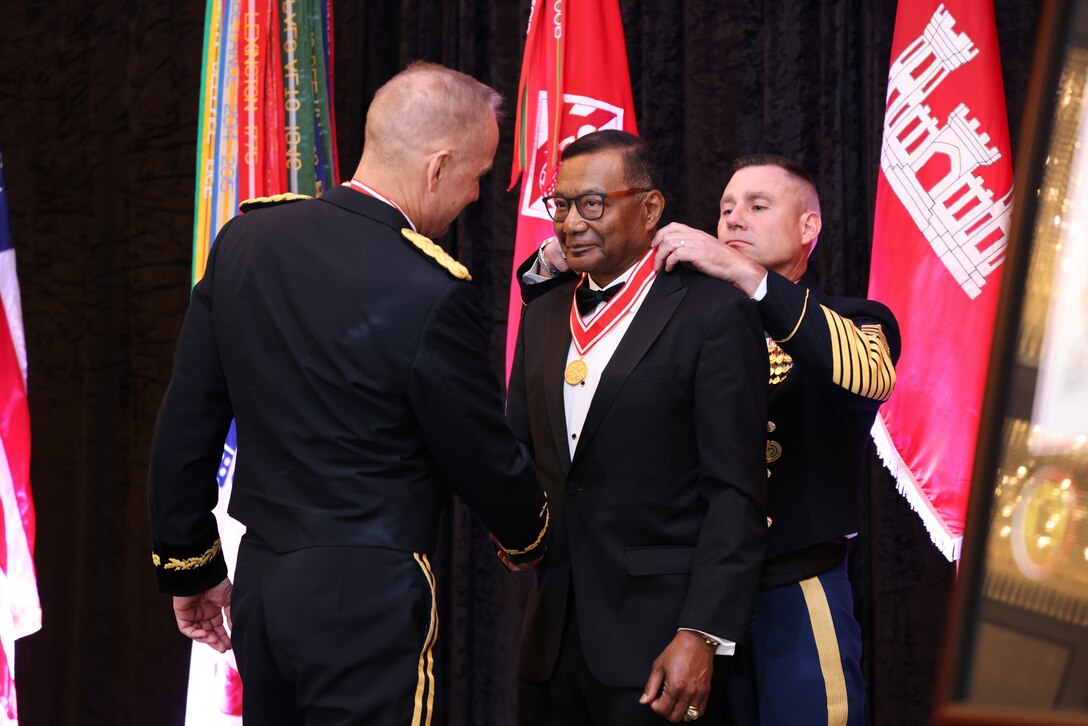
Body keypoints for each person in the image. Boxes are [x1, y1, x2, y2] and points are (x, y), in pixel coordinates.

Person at [147, 61, 549, 725]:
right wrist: (532, 535)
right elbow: (479, 452)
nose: (477, 196)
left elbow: (186, 423)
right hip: (367, 597)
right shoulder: (431, 290)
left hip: (265, 585)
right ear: (437, 166)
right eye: (476, 177)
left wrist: (189, 566)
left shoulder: (247, 241)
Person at [506, 130, 769, 725]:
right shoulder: (544, 312)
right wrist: (511, 526)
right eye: (562, 205)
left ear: (650, 208)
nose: (571, 223)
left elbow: (736, 493)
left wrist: (702, 633)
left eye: (592, 204)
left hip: (660, 647)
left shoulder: (714, 313)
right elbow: (519, 447)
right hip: (549, 642)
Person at [650, 154, 901, 726]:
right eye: (726, 209)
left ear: (808, 227)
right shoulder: (688, 325)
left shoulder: (858, 317)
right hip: (698, 601)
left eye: (758, 207)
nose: (734, 219)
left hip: (795, 585)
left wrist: (748, 278)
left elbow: (867, 375)